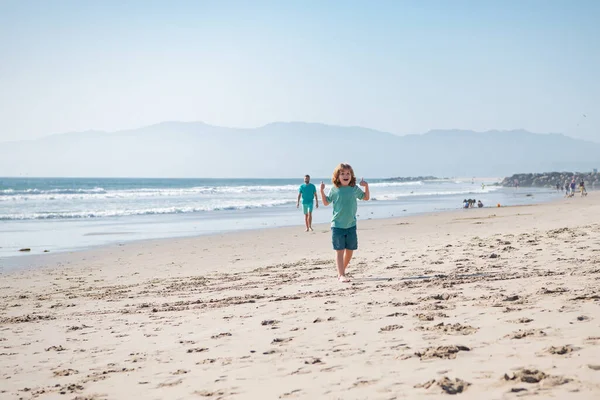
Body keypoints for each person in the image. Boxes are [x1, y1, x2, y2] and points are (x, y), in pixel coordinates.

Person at [320, 163, 369, 283]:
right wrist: (321, 191)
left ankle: (341, 271)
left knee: (350, 250)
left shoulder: (354, 189)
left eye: (348, 173)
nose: (346, 175)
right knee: (339, 251)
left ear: (351, 176)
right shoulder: (334, 189)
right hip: (337, 225)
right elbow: (326, 202)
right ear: (337, 176)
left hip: (351, 225)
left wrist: (366, 186)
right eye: (342, 174)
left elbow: (365, 197)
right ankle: (341, 274)